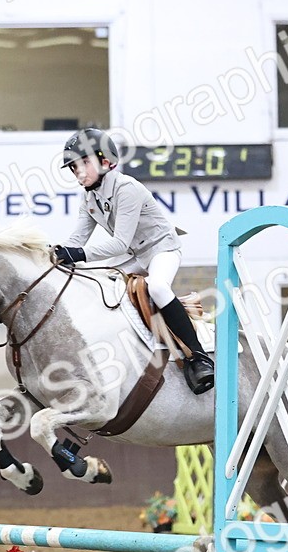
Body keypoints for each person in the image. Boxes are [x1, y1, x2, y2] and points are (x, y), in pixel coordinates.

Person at [53, 128, 215, 394]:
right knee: (95, 282)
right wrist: (55, 255)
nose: (79, 172)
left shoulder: (127, 188)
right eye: (73, 167)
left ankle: (198, 357)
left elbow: (119, 242)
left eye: (84, 163)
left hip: (161, 249)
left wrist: (79, 255)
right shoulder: (88, 196)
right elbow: (77, 238)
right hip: (132, 256)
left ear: (106, 161)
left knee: (158, 288)